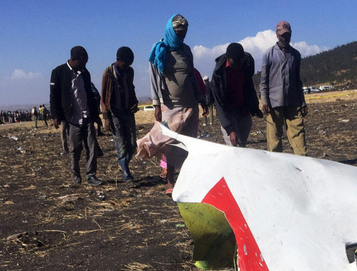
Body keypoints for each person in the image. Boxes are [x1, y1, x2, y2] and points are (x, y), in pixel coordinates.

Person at [139, 14, 208, 195]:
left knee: (188, 144)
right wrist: (155, 104)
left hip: (190, 104)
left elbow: (192, 76)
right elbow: (154, 78)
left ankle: (185, 179)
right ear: (171, 31)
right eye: (178, 32)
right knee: (170, 143)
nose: (182, 36)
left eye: (184, 33)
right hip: (170, 105)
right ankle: (170, 181)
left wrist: (201, 98)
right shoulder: (160, 49)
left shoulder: (186, 50)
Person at [49, 46, 103, 186]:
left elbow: (90, 96)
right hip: (72, 118)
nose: (84, 65)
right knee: (75, 149)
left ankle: (91, 175)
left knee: (92, 147)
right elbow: (54, 96)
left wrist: (96, 115)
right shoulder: (58, 72)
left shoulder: (85, 73)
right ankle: (76, 174)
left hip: (87, 116)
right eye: (82, 62)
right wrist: (55, 115)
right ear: (73, 60)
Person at [260, 21, 308, 156]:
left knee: (299, 137)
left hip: (293, 102)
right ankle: (276, 171)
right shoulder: (268, 54)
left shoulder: (296, 55)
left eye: (287, 35)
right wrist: (264, 101)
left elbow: (298, 80)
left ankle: (303, 168)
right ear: (277, 35)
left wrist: (303, 102)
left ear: (291, 35)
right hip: (274, 103)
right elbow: (263, 82)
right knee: (274, 142)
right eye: (282, 35)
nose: (284, 38)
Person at [211, 42, 263, 147]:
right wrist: (229, 129)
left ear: (243, 58)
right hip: (228, 112)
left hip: (243, 110)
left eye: (240, 63)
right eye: (234, 64)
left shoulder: (248, 63)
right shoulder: (218, 74)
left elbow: (249, 85)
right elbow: (218, 103)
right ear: (227, 59)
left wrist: (254, 107)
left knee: (241, 146)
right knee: (234, 147)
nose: (237, 67)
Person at [101, 46, 138, 182]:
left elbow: (131, 88)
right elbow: (103, 96)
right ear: (118, 60)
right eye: (126, 63)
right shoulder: (108, 73)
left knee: (132, 145)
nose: (127, 66)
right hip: (115, 114)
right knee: (121, 145)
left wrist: (134, 102)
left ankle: (124, 165)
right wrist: (106, 118)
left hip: (128, 113)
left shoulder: (129, 72)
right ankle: (126, 174)